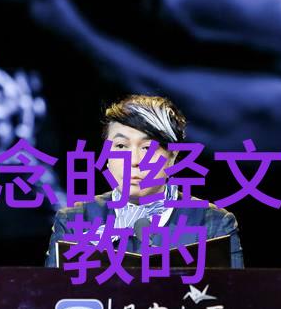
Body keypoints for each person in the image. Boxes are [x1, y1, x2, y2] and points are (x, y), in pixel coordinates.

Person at [44, 94, 244, 268]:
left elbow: (233, 298)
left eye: (147, 148)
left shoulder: (213, 224)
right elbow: (51, 295)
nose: (134, 161)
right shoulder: (73, 221)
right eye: (121, 146)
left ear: (172, 156)